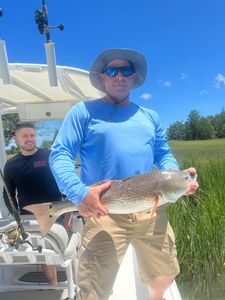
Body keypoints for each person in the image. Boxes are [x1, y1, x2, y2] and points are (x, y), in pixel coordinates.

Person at [49, 48, 199, 300]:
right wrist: (80, 193)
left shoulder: (150, 117)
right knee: (94, 285)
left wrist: (178, 178)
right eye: (112, 70)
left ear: (134, 77)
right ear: (103, 77)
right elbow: (60, 153)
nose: (119, 75)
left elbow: (163, 154)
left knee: (166, 271)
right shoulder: (83, 112)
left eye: (126, 70)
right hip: (103, 210)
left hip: (151, 209)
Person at [3, 121, 73, 285]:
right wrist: (18, 220)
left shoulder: (50, 156)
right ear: (16, 139)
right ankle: (54, 287)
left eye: (32, 135)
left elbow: (68, 186)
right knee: (45, 256)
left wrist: (68, 215)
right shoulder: (11, 165)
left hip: (59, 215)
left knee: (69, 254)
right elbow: (8, 195)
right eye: (25, 136)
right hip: (30, 220)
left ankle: (76, 289)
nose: (29, 139)